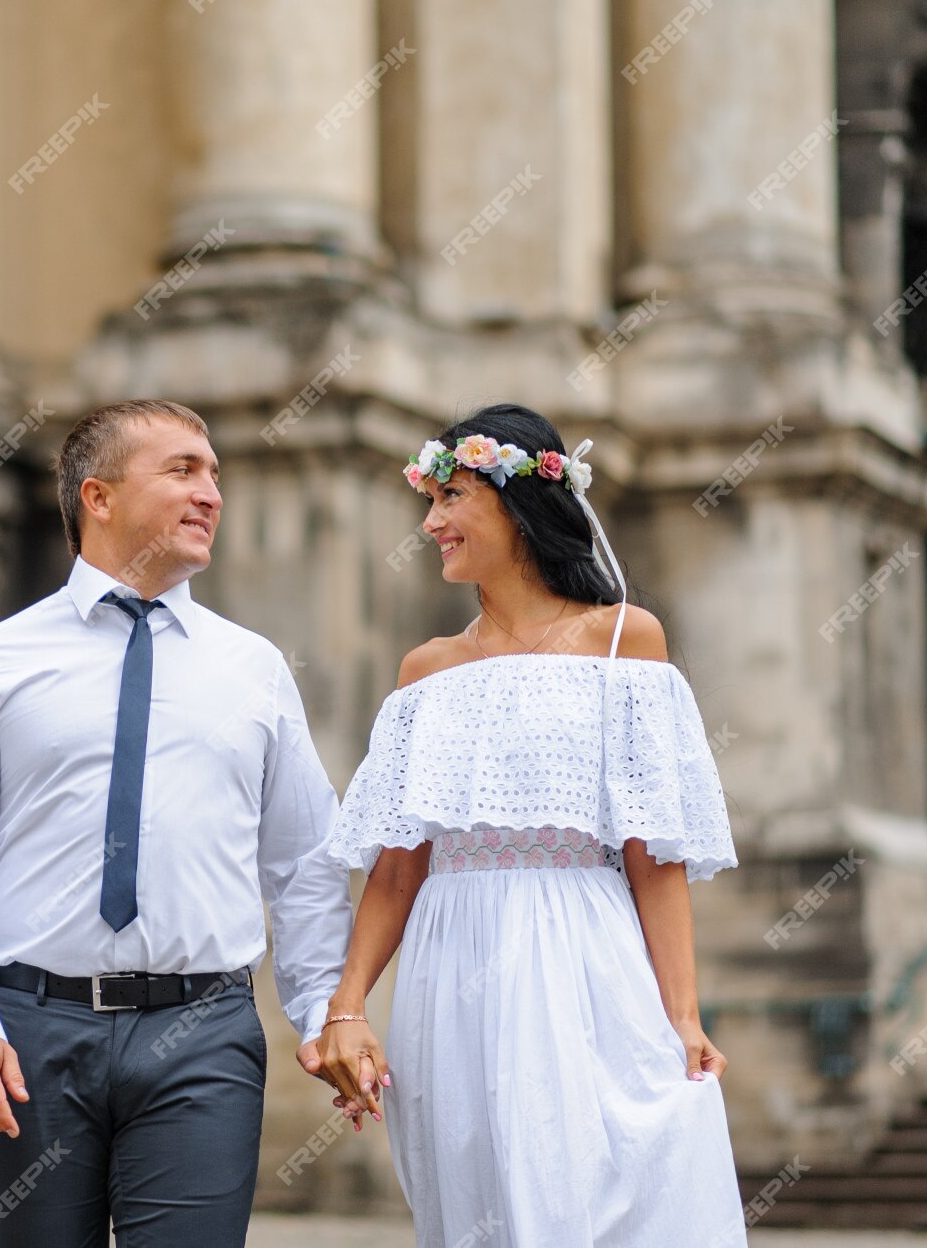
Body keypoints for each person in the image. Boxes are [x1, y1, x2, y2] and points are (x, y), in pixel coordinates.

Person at [0, 399, 353, 1246]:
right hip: (30, 1035)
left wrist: (326, 1009)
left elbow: (302, 857)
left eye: (215, 472)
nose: (211, 491)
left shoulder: (253, 668)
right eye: (183, 469)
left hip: (204, 1037)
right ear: (98, 497)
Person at [315, 402, 750, 1245]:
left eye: (452, 498)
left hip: (584, 955)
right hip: (451, 968)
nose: (431, 522)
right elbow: (399, 869)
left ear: (520, 505)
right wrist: (347, 1004)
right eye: (428, 500)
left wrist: (684, 1015)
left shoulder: (626, 640)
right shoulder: (425, 670)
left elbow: (650, 852)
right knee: (480, 1203)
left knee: (605, 1187)